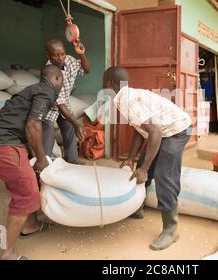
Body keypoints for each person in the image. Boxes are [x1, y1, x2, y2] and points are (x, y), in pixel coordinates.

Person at [0, 65, 63, 260]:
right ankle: (6, 254)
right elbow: (33, 125)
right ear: (57, 78)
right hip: (2, 145)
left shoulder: (30, 90)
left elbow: (27, 127)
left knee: (28, 180)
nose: (62, 84)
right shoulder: (46, 91)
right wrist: (41, 160)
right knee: (27, 192)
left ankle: (30, 225)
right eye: (62, 80)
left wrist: (36, 159)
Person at [103, 67, 192, 251]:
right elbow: (141, 129)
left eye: (103, 82)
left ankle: (171, 229)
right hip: (161, 131)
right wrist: (131, 158)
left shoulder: (126, 100)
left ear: (110, 83)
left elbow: (155, 132)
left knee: (163, 175)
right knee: (145, 167)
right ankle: (137, 206)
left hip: (176, 130)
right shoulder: (125, 96)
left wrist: (143, 167)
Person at [42, 39, 90, 164]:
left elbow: (86, 70)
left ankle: (72, 160)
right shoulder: (49, 72)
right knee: (47, 131)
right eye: (56, 55)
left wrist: (82, 54)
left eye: (62, 53)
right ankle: (44, 163)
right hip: (49, 106)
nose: (60, 58)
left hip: (63, 103)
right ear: (48, 55)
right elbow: (59, 102)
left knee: (69, 129)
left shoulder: (69, 60)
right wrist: (76, 124)